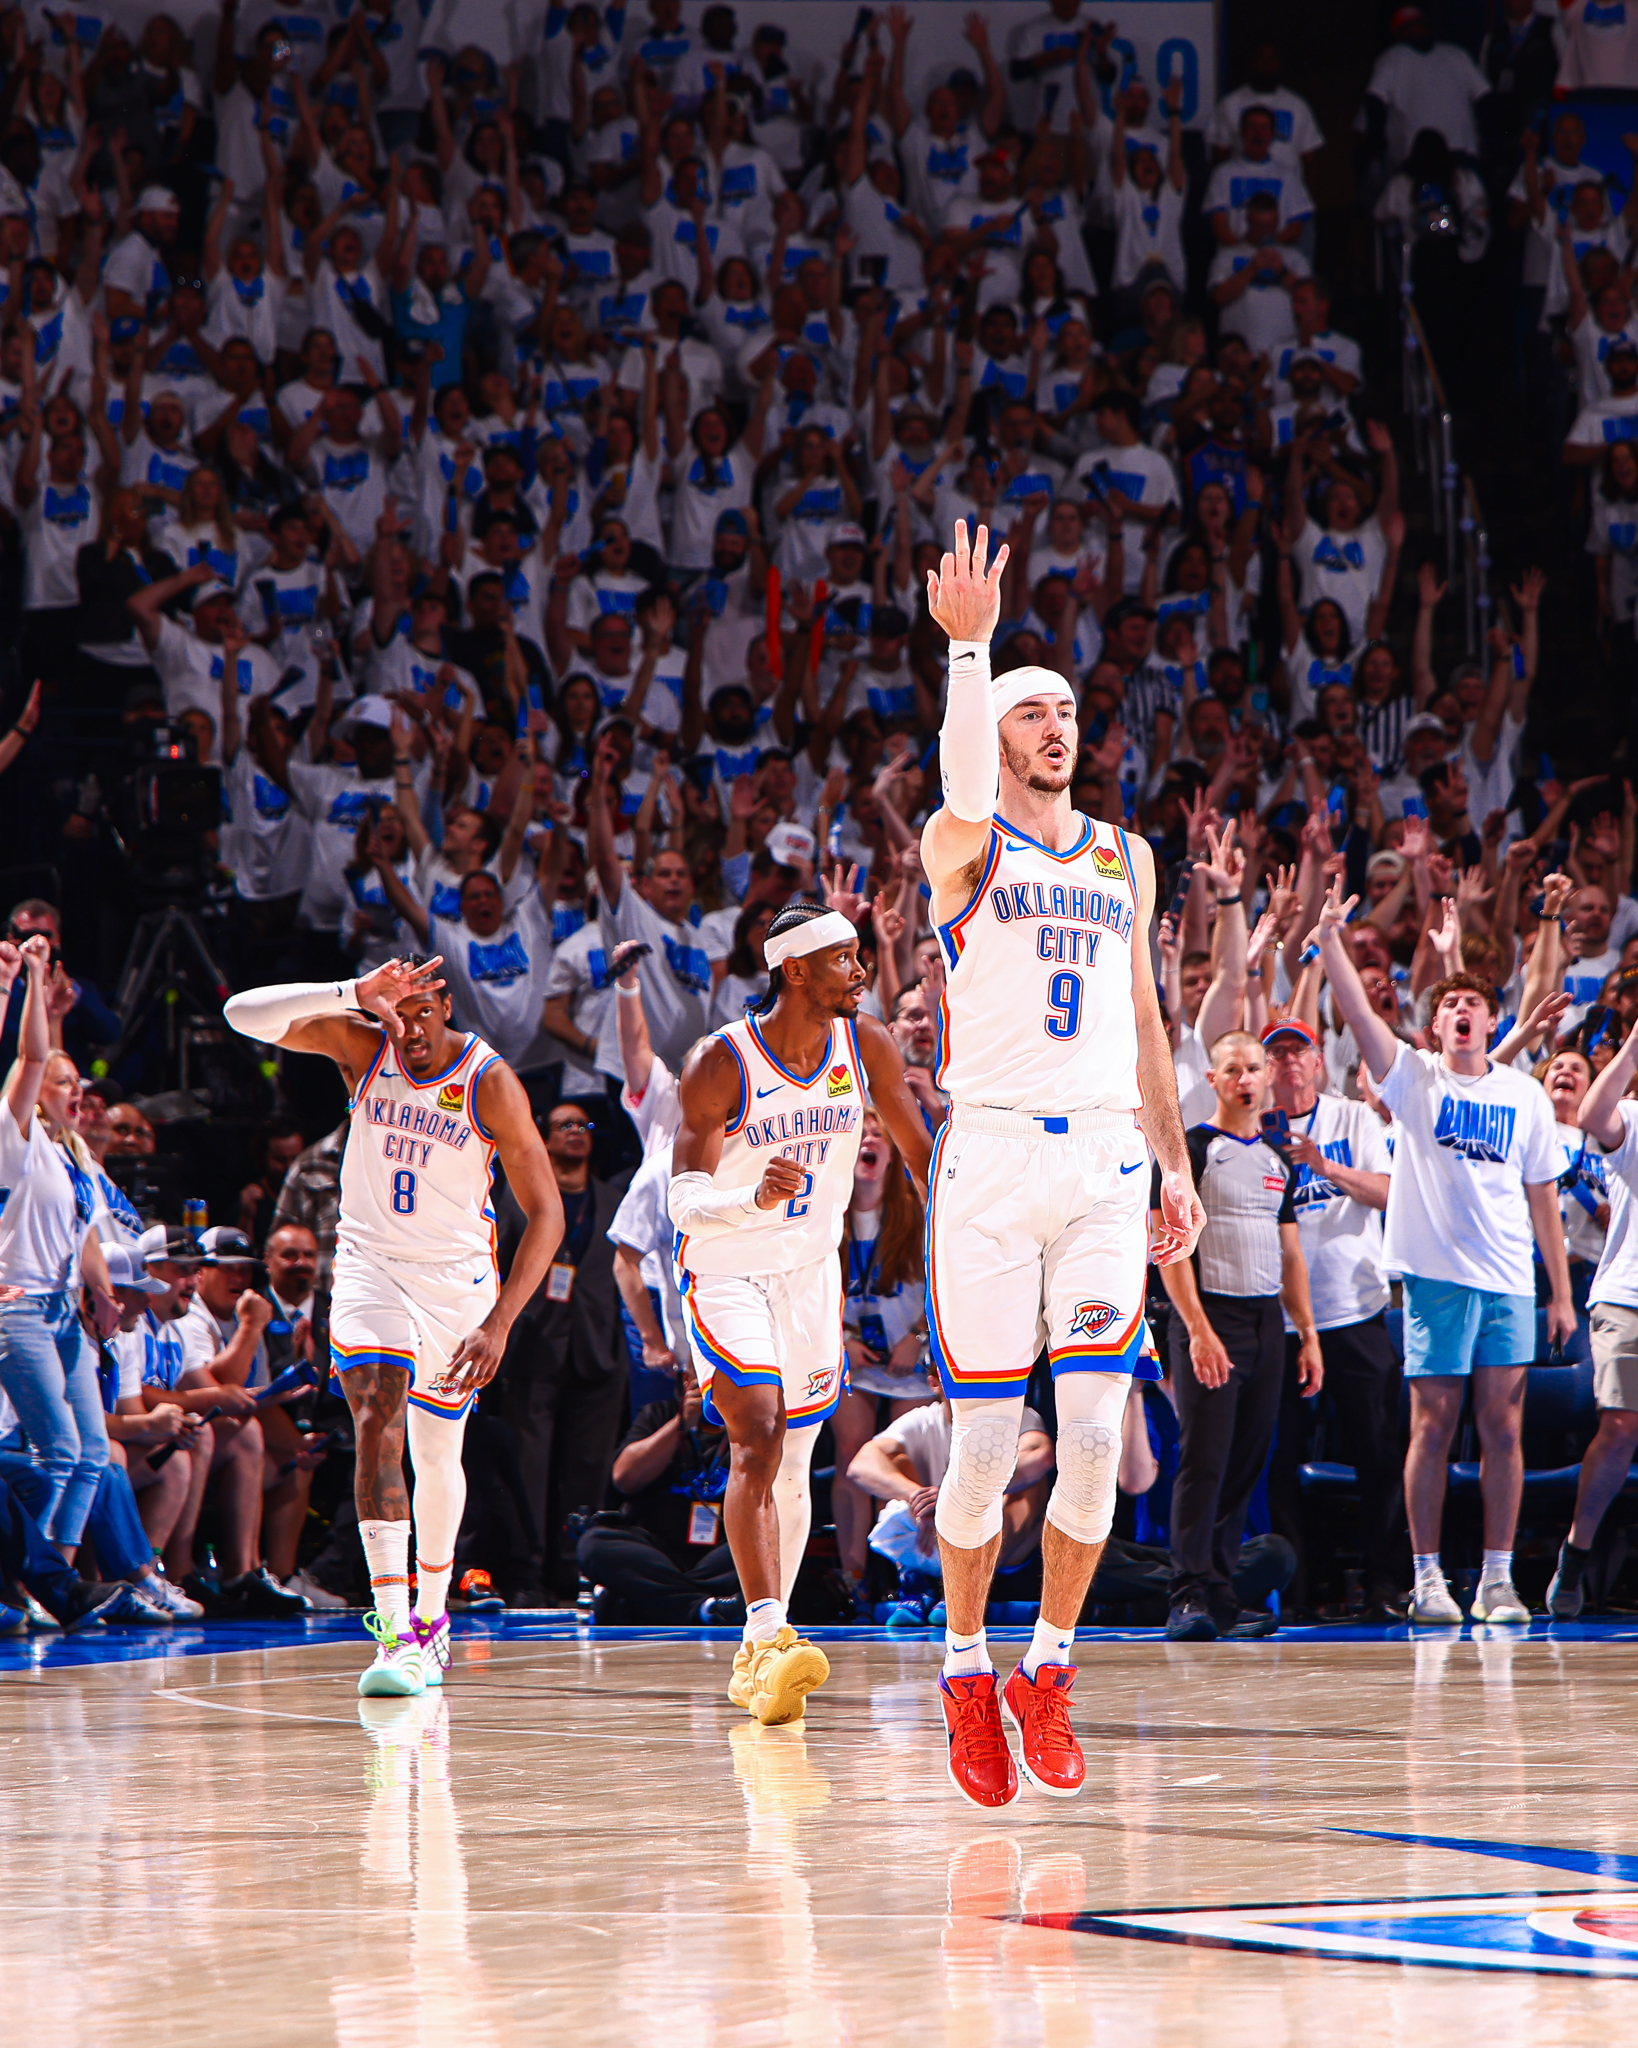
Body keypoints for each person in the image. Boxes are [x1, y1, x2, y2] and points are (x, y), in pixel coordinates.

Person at [917, 521, 1204, 1810]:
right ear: (993, 729)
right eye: (1033, 711)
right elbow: (961, 784)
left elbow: (1146, 1021)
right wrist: (970, 652)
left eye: (1069, 711)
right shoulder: (962, 846)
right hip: (986, 1158)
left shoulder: (1125, 855)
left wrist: (1174, 1162)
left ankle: (1046, 1665)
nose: (1057, 727)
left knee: (1092, 1437)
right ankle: (964, 1665)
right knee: (984, 1450)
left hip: (1101, 1161)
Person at [224, 954, 563, 1695]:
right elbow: (239, 1013)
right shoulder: (362, 1045)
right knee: (376, 1419)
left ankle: (434, 1620)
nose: (409, 1029)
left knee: (437, 1453)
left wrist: (501, 1323)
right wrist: (349, 993)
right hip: (369, 1265)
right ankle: (393, 1630)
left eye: (422, 1012)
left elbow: (547, 1214)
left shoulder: (489, 1081)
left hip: (455, 1283)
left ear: (447, 1008)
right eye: (397, 1013)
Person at [668, 902, 931, 1727]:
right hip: (727, 1266)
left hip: (812, 1273)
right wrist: (750, 1197)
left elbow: (919, 1153)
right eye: (845, 958)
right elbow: (681, 1200)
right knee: (756, 1427)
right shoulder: (721, 1062)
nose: (861, 970)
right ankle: (766, 1633)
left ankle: (764, 1650)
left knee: (793, 1460)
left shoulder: (867, 1044)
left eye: (860, 956)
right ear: (796, 970)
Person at [1318, 883, 1576, 1626]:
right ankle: (1428, 1578)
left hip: (1509, 1282)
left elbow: (1542, 1197)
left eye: (1474, 1004)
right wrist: (1330, 940)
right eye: (1450, 1005)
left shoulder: (1525, 1095)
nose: (1463, 1012)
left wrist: (1560, 1293)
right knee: (1431, 1427)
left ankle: (1497, 1578)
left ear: (1493, 1021)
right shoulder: (1413, 1078)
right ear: (1435, 1026)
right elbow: (1360, 1015)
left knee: (1504, 1430)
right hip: (1435, 1280)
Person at [1156, 1031, 1323, 1640]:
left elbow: (1291, 1254)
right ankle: (1187, 1594)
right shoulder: (1191, 1152)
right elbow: (1170, 1248)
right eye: (1233, 1070)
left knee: (1248, 1462)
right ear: (1214, 1079)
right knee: (1203, 1461)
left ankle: (1222, 1593)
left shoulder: (1278, 1160)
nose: (1245, 1079)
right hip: (1210, 1317)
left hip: (1265, 1323)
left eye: (1254, 1068)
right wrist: (1197, 1329)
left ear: (1267, 1076)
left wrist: (1307, 1334)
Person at [1260, 1016, 1404, 1618]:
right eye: (1277, 1053)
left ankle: (1386, 1586)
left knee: (1379, 1455)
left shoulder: (1354, 1118)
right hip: (1278, 1320)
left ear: (1319, 1062)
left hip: (1355, 1310)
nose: (1289, 1060)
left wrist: (1325, 1167)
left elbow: (1390, 1192)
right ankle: (1295, 1595)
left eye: (1299, 1050)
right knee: (1279, 1465)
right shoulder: (1251, 1129)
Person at [0, 937, 122, 1565]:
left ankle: (61, 1583)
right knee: (60, 1452)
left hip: (63, 1311)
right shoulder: (17, 1138)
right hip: (19, 1308)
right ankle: (29, 1581)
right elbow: (32, 1056)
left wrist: (100, 1291)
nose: (77, 1091)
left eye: (79, 1082)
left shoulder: (75, 1155)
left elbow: (87, 1235)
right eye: (64, 1083)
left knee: (91, 1453)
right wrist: (30, 977)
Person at [495, 1101, 627, 1606]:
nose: (576, 1131)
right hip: (533, 1348)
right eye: (564, 1125)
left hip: (598, 1350)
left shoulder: (614, 1199)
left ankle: (577, 1570)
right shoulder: (519, 1194)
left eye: (583, 1125)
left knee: (588, 1467)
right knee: (529, 1467)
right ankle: (527, 1571)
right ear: (545, 1138)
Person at [1546, 1022, 1638, 1615]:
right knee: (1622, 1426)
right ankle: (1577, 1552)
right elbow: (1592, 1113)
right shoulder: (1632, 1116)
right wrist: (1633, 1045)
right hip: (1628, 1295)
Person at [578, 1358, 743, 1625]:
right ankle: (705, 1607)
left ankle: (645, 1601)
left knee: (773, 1548)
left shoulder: (753, 1424)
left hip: (721, 1553)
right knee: (595, 1544)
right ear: (688, 1381)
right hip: (657, 1552)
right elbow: (624, 1478)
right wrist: (680, 1423)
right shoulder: (658, 1414)